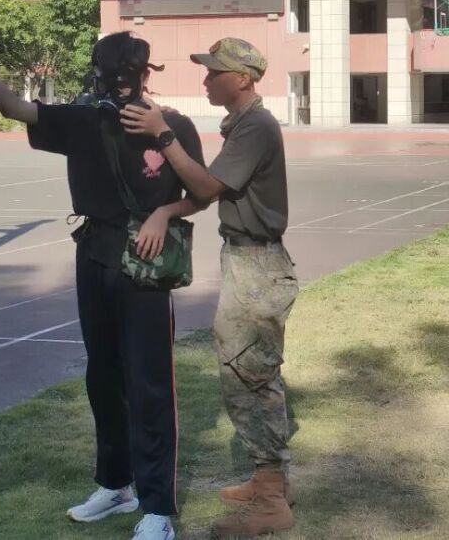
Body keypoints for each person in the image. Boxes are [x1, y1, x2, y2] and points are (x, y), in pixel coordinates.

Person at [0, 17, 205, 540]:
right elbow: (14, 107)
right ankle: (116, 484)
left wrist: (164, 211)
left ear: (140, 74)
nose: (118, 83)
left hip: (146, 267)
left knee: (150, 384)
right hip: (94, 257)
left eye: (124, 73)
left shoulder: (173, 125)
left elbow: (203, 192)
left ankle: (157, 508)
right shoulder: (83, 120)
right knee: (102, 379)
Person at [120, 37, 298, 538]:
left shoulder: (256, 127)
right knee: (251, 372)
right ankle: (270, 481)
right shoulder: (245, 124)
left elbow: (205, 188)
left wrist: (162, 134)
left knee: (249, 376)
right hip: (249, 261)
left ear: (241, 78)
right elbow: (206, 193)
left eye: (214, 73)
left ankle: (271, 501)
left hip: (256, 265)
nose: (206, 79)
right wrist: (165, 208)